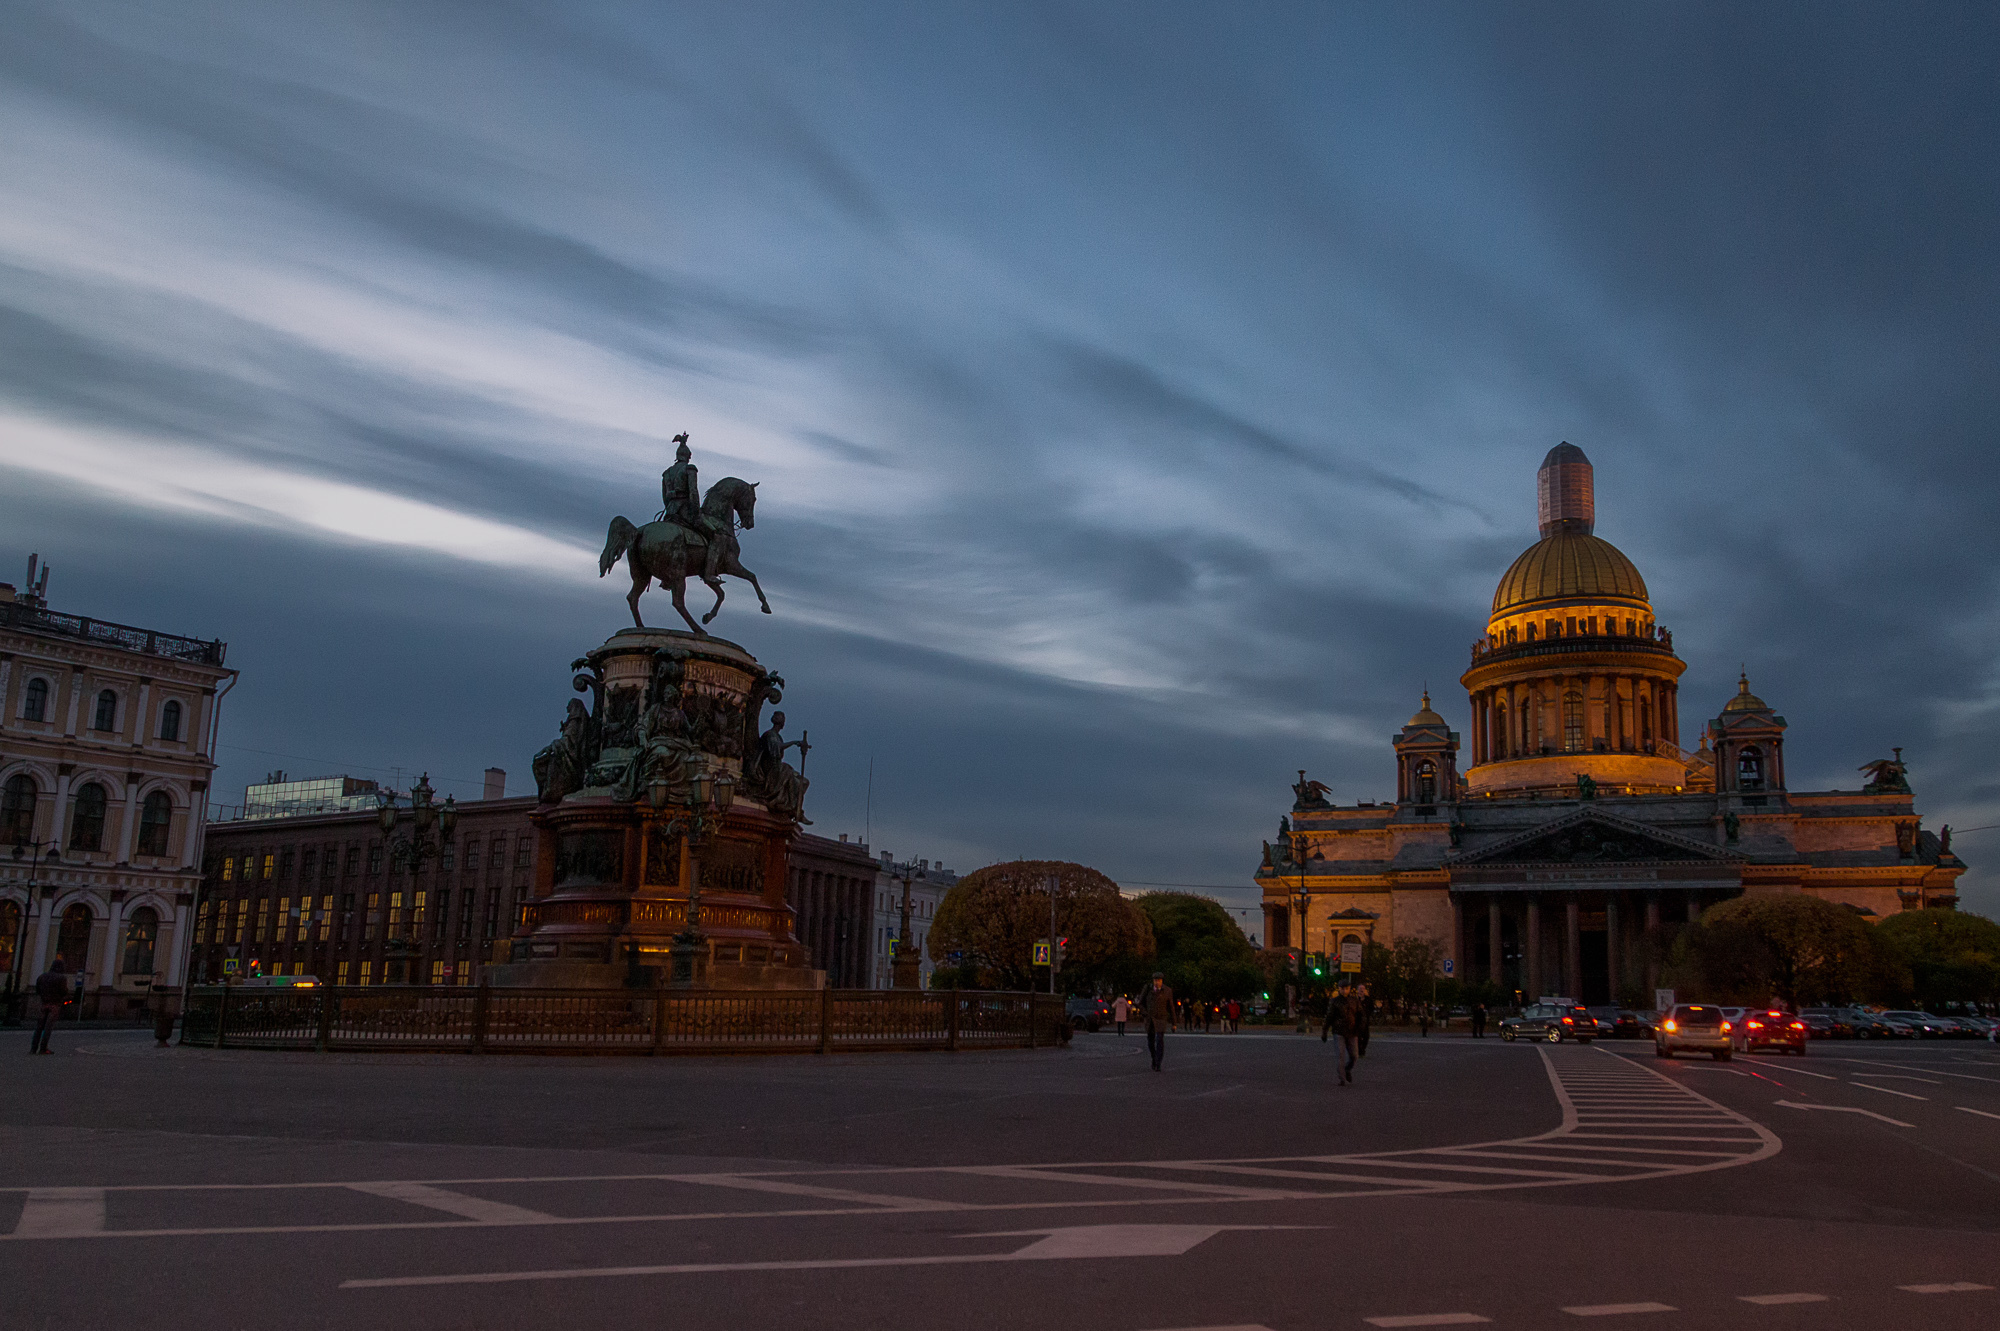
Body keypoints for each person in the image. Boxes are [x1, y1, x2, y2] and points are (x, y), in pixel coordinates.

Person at [30, 959, 68, 1055]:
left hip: (44, 1003)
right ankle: (43, 1048)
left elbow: (37, 990)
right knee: (48, 1027)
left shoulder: (42, 977)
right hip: (55, 1004)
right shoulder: (61, 978)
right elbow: (63, 991)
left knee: (39, 1027)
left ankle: (33, 1048)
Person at [1328, 987, 1361, 1084]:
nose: (1344, 991)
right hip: (1339, 1031)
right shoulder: (1335, 1001)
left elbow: (1360, 1014)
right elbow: (1330, 1015)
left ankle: (1347, 1069)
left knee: (1354, 1055)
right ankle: (1342, 1078)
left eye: (1346, 988)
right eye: (1342, 988)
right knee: (1340, 1055)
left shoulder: (1354, 1001)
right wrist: (1325, 1029)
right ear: (1339, 989)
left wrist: (1359, 1027)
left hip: (1352, 1031)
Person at [1143, 972, 1174, 1071]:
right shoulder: (1148, 989)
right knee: (1150, 1041)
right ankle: (1154, 1057)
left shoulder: (1167, 991)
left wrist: (1174, 1023)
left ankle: (1158, 1062)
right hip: (1150, 1018)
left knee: (1159, 1040)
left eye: (1159, 980)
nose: (1157, 982)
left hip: (1161, 1018)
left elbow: (1171, 1007)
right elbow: (1140, 1003)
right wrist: (1145, 1013)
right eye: (1155, 980)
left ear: (1162, 981)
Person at [1356, 983, 1375, 1058]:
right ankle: (1360, 1051)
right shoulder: (1355, 999)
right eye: (1360, 989)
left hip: (1365, 1021)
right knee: (1358, 1037)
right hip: (1356, 1022)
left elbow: (1371, 1009)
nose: (1361, 991)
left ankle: (1362, 1049)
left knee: (1366, 1037)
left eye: (1363, 989)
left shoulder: (1368, 1000)